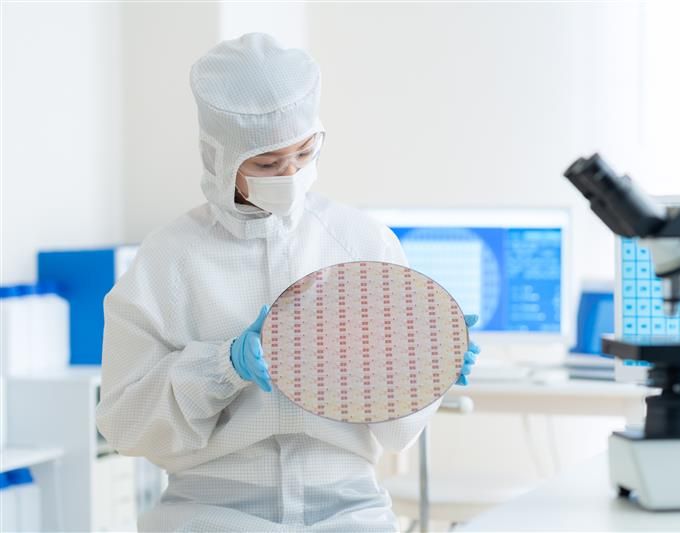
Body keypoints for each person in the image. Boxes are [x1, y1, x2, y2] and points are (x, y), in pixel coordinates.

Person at [96, 33, 479, 532]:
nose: (291, 173)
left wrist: (428, 365)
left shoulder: (359, 241)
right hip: (212, 513)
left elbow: (396, 432)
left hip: (348, 511)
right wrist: (221, 367)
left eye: (304, 152)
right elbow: (125, 424)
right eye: (267, 164)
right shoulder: (168, 260)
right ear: (219, 158)